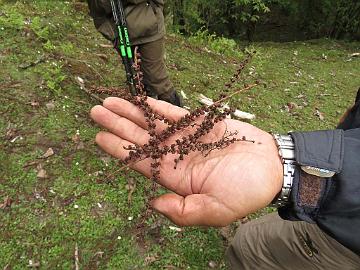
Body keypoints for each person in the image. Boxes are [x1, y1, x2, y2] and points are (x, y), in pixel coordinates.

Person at [90, 88, 360, 269]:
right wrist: (290, 166)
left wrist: (300, 170)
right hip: (335, 210)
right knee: (249, 239)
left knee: (250, 244)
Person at [86, 0, 183, 107]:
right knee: (137, 77)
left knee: (158, 81)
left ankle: (177, 118)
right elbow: (99, 6)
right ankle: (148, 113)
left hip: (148, 27)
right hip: (118, 31)